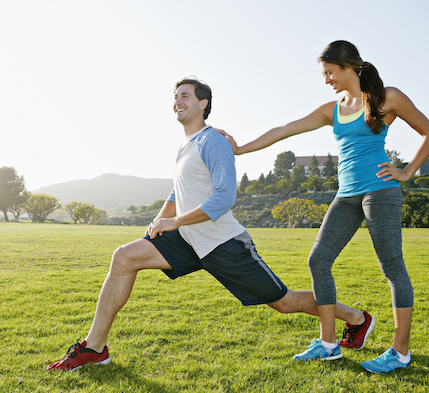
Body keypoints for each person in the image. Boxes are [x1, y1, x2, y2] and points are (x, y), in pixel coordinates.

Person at [46, 77, 370, 372]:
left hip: (223, 244)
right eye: (175, 97)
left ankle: (356, 318)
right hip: (188, 240)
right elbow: (177, 193)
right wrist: (162, 218)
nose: (178, 101)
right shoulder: (184, 148)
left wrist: (175, 221)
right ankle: (94, 347)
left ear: (203, 104)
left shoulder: (212, 141)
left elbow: (223, 197)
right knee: (124, 257)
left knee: (283, 303)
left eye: (185, 96)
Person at [218, 41, 429, 373]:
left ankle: (400, 351)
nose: (327, 80)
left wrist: (406, 172)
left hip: (380, 191)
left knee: (392, 268)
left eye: (330, 72)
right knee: (318, 259)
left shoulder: (385, 98)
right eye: (324, 75)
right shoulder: (331, 109)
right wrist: (240, 149)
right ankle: (328, 344)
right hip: (346, 195)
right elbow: (284, 130)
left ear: (349, 66)